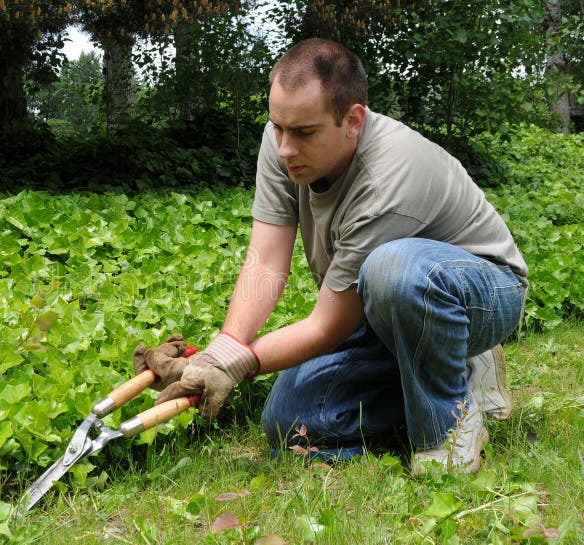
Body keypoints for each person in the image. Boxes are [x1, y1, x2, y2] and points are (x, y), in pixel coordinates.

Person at [133, 38, 528, 475]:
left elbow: (328, 326)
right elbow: (265, 260)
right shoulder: (283, 143)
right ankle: (462, 373)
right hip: (383, 307)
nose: (285, 148)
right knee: (289, 422)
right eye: (278, 127)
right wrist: (220, 353)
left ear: (353, 120)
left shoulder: (387, 179)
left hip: (481, 293)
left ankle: (447, 426)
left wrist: (239, 365)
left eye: (303, 133)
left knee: (392, 269)